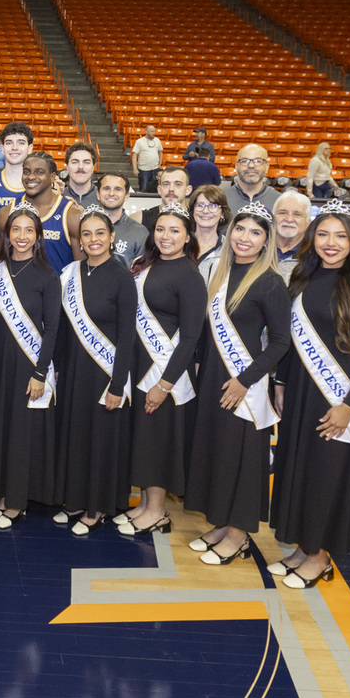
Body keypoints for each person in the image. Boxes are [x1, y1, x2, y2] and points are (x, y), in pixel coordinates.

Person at [268, 204, 350, 589]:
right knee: (298, 469)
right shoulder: (302, 278)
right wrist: (281, 384)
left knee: (323, 475)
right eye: (323, 235)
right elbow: (287, 341)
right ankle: (304, 548)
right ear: (311, 239)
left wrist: (348, 405)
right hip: (299, 391)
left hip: (334, 395)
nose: (331, 243)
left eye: (340, 236)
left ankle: (319, 558)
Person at [184, 202, 292, 568]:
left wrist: (244, 381)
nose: (245, 238)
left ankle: (238, 535)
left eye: (255, 232)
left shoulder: (270, 282)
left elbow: (280, 342)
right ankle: (222, 522)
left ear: (266, 241)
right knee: (217, 453)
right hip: (215, 377)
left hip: (244, 384)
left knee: (242, 459)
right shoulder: (220, 272)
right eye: (240, 230)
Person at [49, 209, 139, 536]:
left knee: (100, 439)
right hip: (74, 370)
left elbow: (128, 335)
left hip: (105, 373)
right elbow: (61, 328)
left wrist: (118, 384)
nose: (93, 240)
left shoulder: (122, 276)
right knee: (75, 435)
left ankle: (97, 507)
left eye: (100, 233)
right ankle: (74, 500)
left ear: (112, 237)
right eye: (86, 234)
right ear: (80, 239)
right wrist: (57, 366)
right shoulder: (72, 272)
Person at [118, 202, 206, 537]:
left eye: (174, 230)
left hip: (165, 372)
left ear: (187, 237)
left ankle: (157, 512)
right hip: (140, 367)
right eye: (160, 229)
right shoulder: (146, 264)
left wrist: (165, 383)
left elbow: (191, 337)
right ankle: (144, 504)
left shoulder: (189, 275)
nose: (165, 236)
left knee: (157, 441)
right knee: (143, 439)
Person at [0, 203, 59, 529]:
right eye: (16, 230)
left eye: (29, 230)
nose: (22, 236)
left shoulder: (47, 275)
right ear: (7, 235)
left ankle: (16, 501)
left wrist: (40, 373)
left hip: (29, 366)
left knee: (20, 435)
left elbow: (53, 328)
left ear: (38, 236)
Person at [0, 151, 79, 273]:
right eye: (26, 172)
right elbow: (2, 262)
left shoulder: (71, 214)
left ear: (52, 177)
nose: (31, 177)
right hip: (17, 290)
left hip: (59, 290)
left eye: (39, 172)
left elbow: (80, 269)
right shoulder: (6, 213)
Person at [95, 172, 148, 265]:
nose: (111, 193)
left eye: (117, 189)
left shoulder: (140, 233)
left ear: (127, 196)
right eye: (106, 188)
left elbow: (142, 273)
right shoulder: (85, 228)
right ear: (98, 194)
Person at [221, 144, 279, 214]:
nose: (251, 165)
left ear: (266, 167)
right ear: (236, 167)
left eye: (258, 161)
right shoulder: (221, 199)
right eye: (245, 161)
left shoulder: (279, 201)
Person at [187, 184, 230, 279]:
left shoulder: (228, 250)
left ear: (222, 213)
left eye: (213, 206)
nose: (205, 211)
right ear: (193, 210)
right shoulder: (180, 243)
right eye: (200, 205)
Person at [270, 189, 311, 282]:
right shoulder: (258, 249)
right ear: (273, 218)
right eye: (282, 212)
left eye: (297, 214)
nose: (289, 219)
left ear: (308, 223)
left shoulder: (314, 255)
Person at [63, 142, 100, 207]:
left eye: (86, 162)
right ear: (67, 167)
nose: (80, 167)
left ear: (93, 167)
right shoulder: (57, 198)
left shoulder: (103, 197)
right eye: (75, 162)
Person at [130, 126, 164, 193]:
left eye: (154, 131)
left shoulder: (157, 140)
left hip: (155, 169)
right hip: (143, 170)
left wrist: (159, 164)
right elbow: (134, 155)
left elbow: (160, 152)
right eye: (152, 131)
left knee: (155, 189)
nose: (154, 133)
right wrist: (135, 168)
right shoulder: (139, 141)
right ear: (146, 131)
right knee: (144, 188)